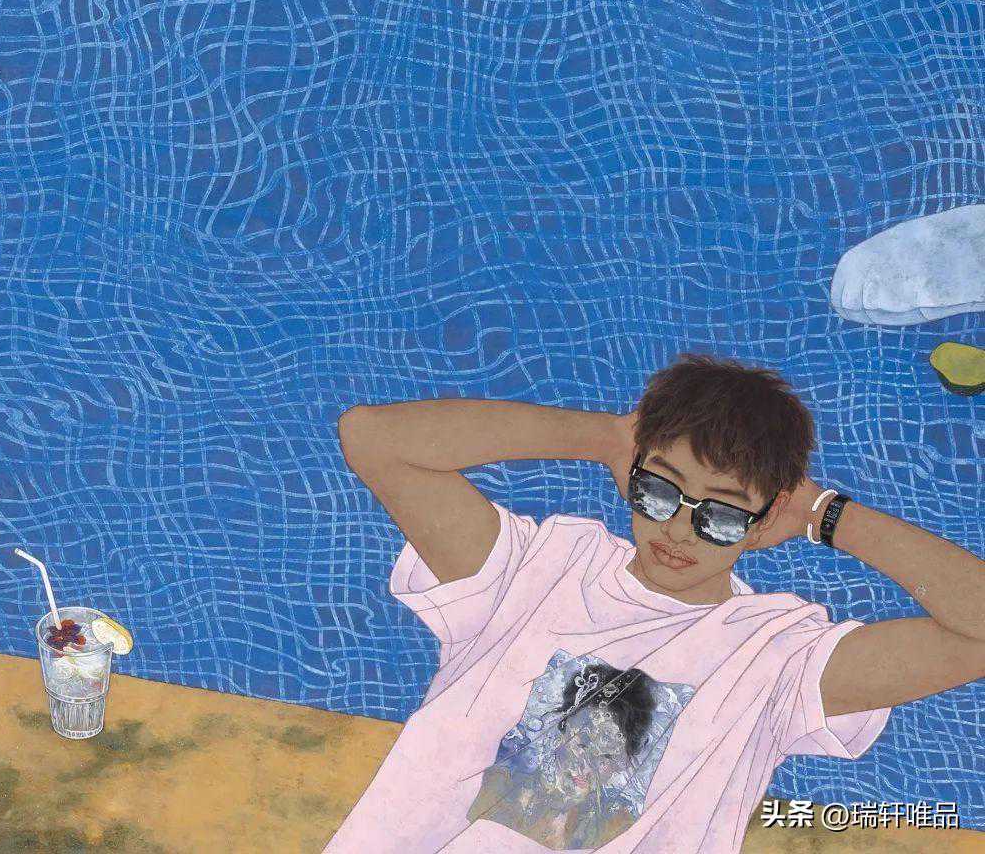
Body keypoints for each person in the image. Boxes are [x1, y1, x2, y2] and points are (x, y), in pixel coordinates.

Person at [324, 353, 985, 854]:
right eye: (660, 492)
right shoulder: (536, 569)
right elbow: (372, 438)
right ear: (633, 473)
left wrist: (824, 514)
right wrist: (604, 438)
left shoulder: (777, 656)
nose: (679, 529)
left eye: (721, 516)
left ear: (764, 522)